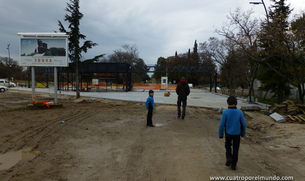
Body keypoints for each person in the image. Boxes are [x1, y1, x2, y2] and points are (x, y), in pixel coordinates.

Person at [218, 96, 247, 170]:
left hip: (228, 133)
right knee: (236, 149)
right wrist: (243, 133)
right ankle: (234, 165)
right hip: (237, 134)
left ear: (227, 103)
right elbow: (244, 124)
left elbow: (221, 125)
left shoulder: (225, 112)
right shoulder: (240, 112)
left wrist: (220, 134)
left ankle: (229, 157)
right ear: (236, 103)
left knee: (228, 146)